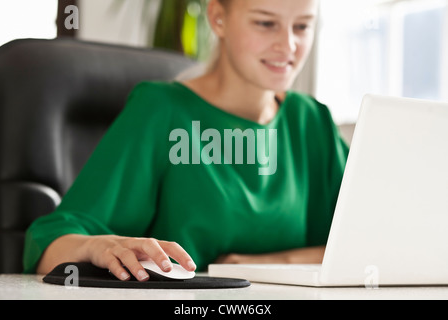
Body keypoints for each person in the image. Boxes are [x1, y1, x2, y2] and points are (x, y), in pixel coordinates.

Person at [23, 0, 349, 282]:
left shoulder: (312, 122)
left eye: (303, 26)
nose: (288, 45)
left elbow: (368, 242)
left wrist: (274, 263)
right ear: (218, 18)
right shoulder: (161, 110)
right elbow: (50, 242)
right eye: (266, 23)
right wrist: (93, 246)